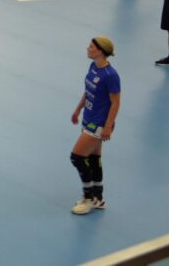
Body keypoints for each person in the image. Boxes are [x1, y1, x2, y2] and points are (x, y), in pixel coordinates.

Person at [69, 37, 119, 215]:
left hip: (98, 123)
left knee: (77, 157)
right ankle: (98, 198)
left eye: (91, 47)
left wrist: (108, 127)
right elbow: (88, 91)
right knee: (93, 159)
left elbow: (115, 103)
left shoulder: (110, 75)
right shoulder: (93, 66)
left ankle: (88, 198)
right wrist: (78, 110)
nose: (88, 49)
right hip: (89, 118)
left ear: (100, 51)